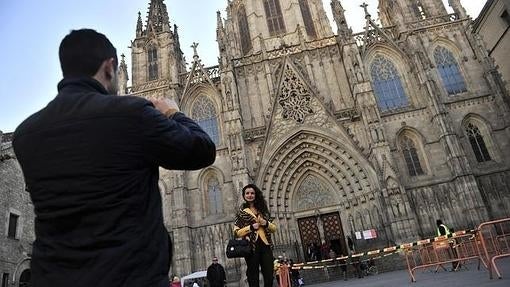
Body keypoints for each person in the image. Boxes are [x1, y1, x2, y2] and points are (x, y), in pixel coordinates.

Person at [12, 29, 216, 287]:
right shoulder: (132, 114)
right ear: (110, 68)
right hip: (130, 277)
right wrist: (174, 113)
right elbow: (202, 150)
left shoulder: (26, 134)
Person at [233, 184, 277, 287]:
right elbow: (236, 232)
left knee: (269, 275)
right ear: (244, 195)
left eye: (252, 193)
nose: (250, 195)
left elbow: (274, 228)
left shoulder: (263, 211)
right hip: (251, 247)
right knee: (253, 276)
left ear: (256, 194)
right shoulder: (241, 213)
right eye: (247, 193)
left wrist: (265, 223)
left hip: (266, 246)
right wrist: (251, 227)